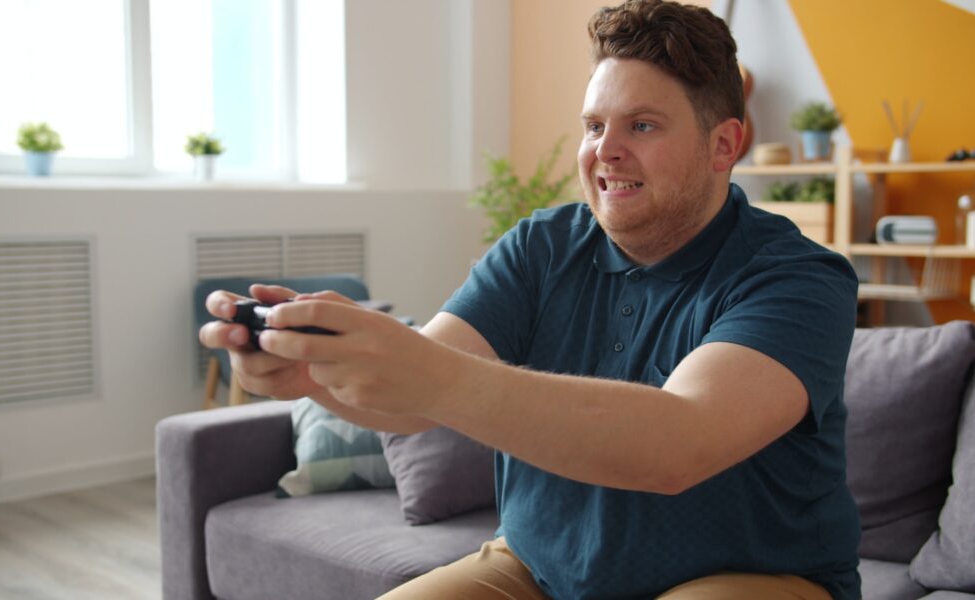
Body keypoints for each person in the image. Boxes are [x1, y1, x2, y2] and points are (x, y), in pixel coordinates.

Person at [200, 1, 862, 598]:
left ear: (724, 145)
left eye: (643, 125)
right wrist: (310, 373)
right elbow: (409, 405)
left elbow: (676, 446)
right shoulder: (540, 246)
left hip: (750, 575)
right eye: (595, 124)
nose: (606, 150)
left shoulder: (798, 278)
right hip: (540, 568)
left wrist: (433, 375)